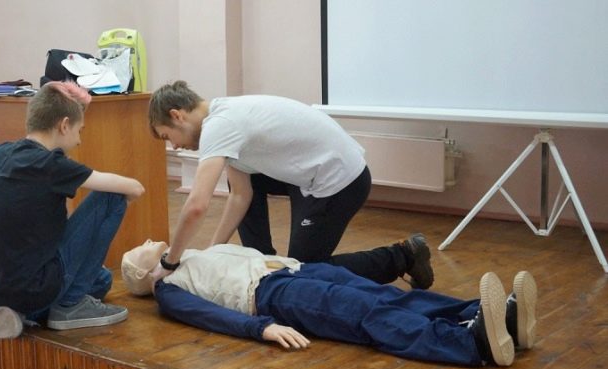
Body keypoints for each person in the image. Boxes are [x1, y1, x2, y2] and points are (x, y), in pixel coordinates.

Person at [147, 81, 433, 290]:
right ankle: (262, 265)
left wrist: (170, 261)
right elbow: (241, 195)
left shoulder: (219, 125)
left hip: (342, 182)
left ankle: (404, 256)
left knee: (303, 275)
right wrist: (212, 252)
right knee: (244, 182)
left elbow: (197, 205)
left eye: (167, 137)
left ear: (177, 115)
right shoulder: (224, 116)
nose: (174, 146)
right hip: (311, 175)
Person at [121, 240, 538, 367]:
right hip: (274, 295)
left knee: (388, 295)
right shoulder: (169, 289)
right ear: (142, 274)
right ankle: (471, 344)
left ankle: (490, 317)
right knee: (367, 314)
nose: (147, 241)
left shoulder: (186, 254)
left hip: (297, 271)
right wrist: (262, 328)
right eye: (140, 250)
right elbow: (211, 316)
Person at [0, 81, 145, 339]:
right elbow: (135, 188)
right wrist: (122, 203)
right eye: (79, 130)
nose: (79, 140)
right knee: (112, 197)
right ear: (64, 125)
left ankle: (15, 308)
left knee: (102, 280)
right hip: (34, 286)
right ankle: (69, 305)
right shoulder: (51, 164)